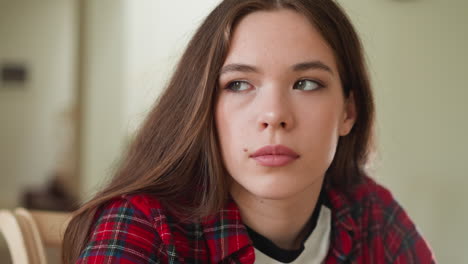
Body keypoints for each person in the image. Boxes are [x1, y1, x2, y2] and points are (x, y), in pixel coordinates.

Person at [63, 0, 436, 263]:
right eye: (239, 84)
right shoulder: (146, 224)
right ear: (205, 110)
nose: (274, 116)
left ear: (348, 112)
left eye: (306, 83)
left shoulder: (371, 213)